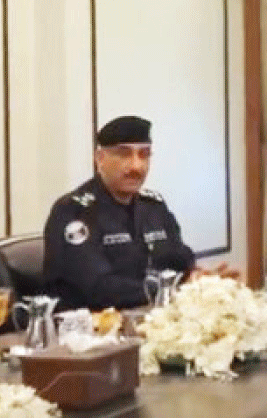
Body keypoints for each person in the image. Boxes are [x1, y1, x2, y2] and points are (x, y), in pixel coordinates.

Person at [43, 116, 205, 310]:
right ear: (100, 159)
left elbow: (181, 259)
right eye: (124, 155)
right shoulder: (74, 211)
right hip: (92, 323)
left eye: (144, 155)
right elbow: (99, 289)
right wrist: (173, 288)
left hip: (151, 316)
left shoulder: (154, 206)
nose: (136, 166)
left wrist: (200, 279)